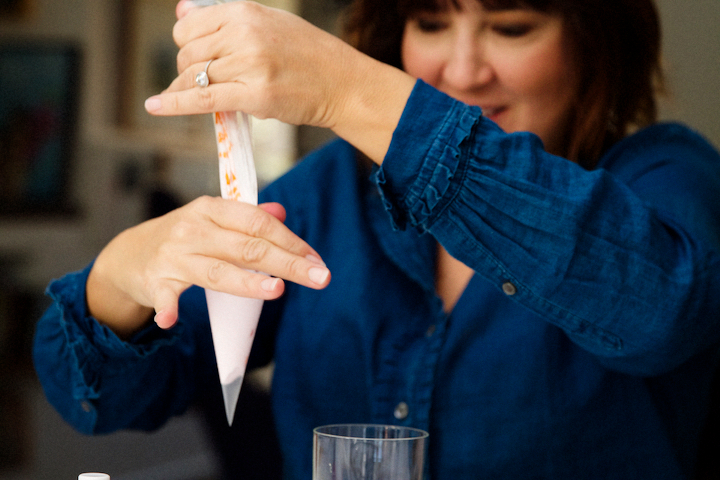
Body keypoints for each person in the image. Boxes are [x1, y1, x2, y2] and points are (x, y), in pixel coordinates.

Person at [33, 0, 720, 478]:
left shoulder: (665, 177)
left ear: (594, 40)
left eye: (511, 27)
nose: (461, 69)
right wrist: (120, 275)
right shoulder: (330, 191)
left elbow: (657, 312)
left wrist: (348, 92)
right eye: (429, 21)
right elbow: (106, 400)